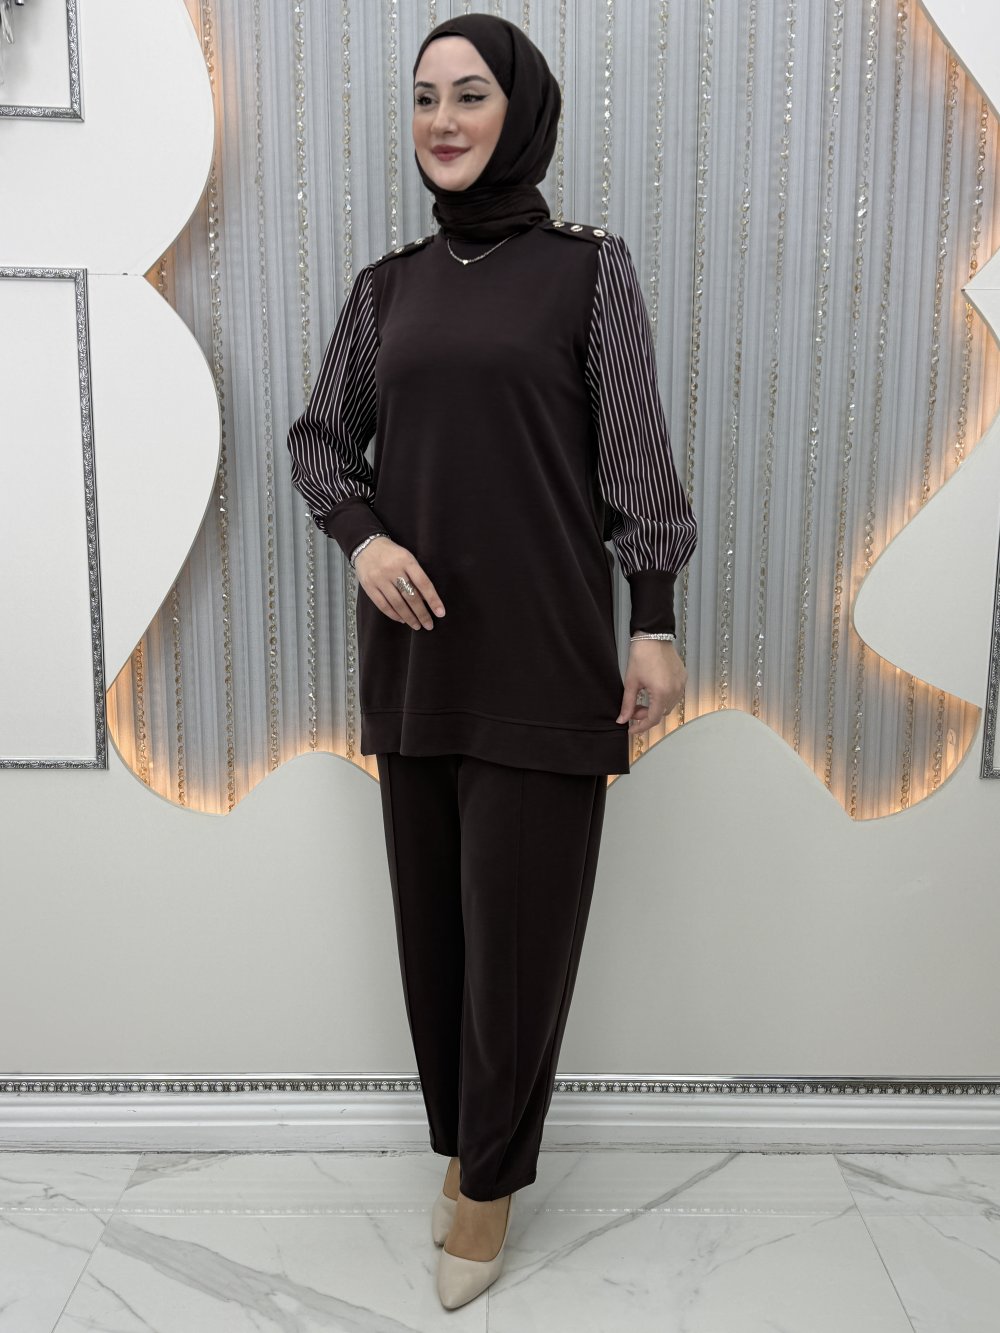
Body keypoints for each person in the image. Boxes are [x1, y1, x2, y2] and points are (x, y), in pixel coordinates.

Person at [287, 12, 696, 1310]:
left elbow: (637, 457)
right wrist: (362, 538)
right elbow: (318, 441)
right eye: (424, 97)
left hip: (545, 658)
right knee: (437, 938)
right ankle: (466, 1147)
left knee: (517, 942)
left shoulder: (587, 272)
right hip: (416, 664)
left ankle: (489, 1186)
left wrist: (653, 618)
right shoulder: (387, 290)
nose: (444, 120)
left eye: (470, 94)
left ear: (520, 112)